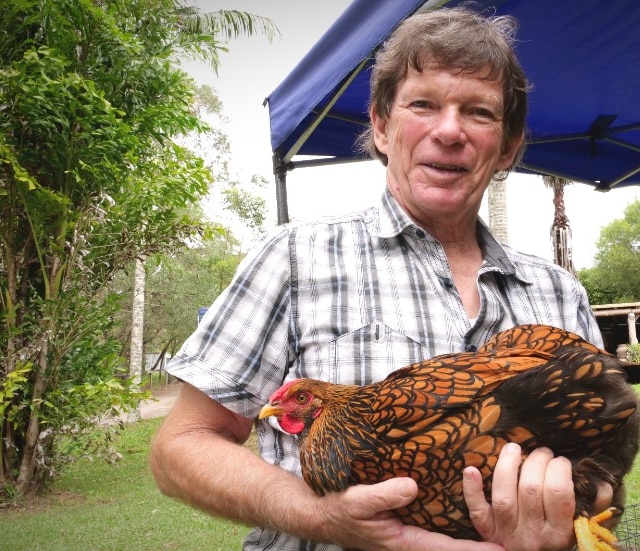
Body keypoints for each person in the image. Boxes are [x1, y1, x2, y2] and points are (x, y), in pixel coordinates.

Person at [150, 7, 612, 551]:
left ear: (507, 147)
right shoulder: (297, 259)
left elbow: (603, 470)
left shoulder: (558, 293)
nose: (449, 130)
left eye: (479, 112)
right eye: (423, 104)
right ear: (382, 126)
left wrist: (571, 517)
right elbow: (178, 446)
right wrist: (320, 517)